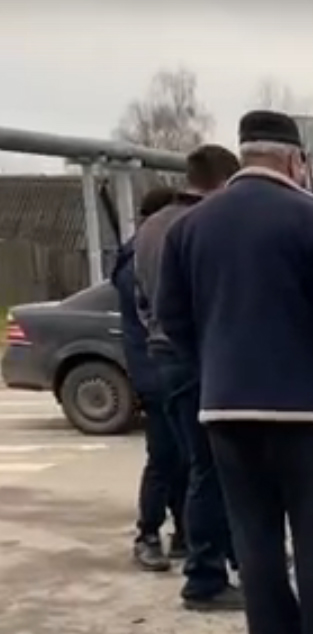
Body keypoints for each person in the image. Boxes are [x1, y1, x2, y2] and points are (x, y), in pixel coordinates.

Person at [154, 110, 313, 634]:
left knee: (254, 539)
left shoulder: (191, 227)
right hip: (308, 411)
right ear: (295, 160)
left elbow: (173, 320)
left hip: (227, 410)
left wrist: (218, 369)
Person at [133, 145, 243, 611]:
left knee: (202, 466)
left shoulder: (150, 228)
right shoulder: (205, 226)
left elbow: (144, 302)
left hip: (165, 356)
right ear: (222, 182)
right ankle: (205, 577)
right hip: (197, 355)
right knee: (213, 469)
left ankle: (227, 558)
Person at [115, 185, 186, 571]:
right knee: (163, 458)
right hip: (155, 370)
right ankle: (148, 534)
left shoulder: (142, 251)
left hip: (164, 367)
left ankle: (184, 532)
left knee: (182, 458)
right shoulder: (138, 259)